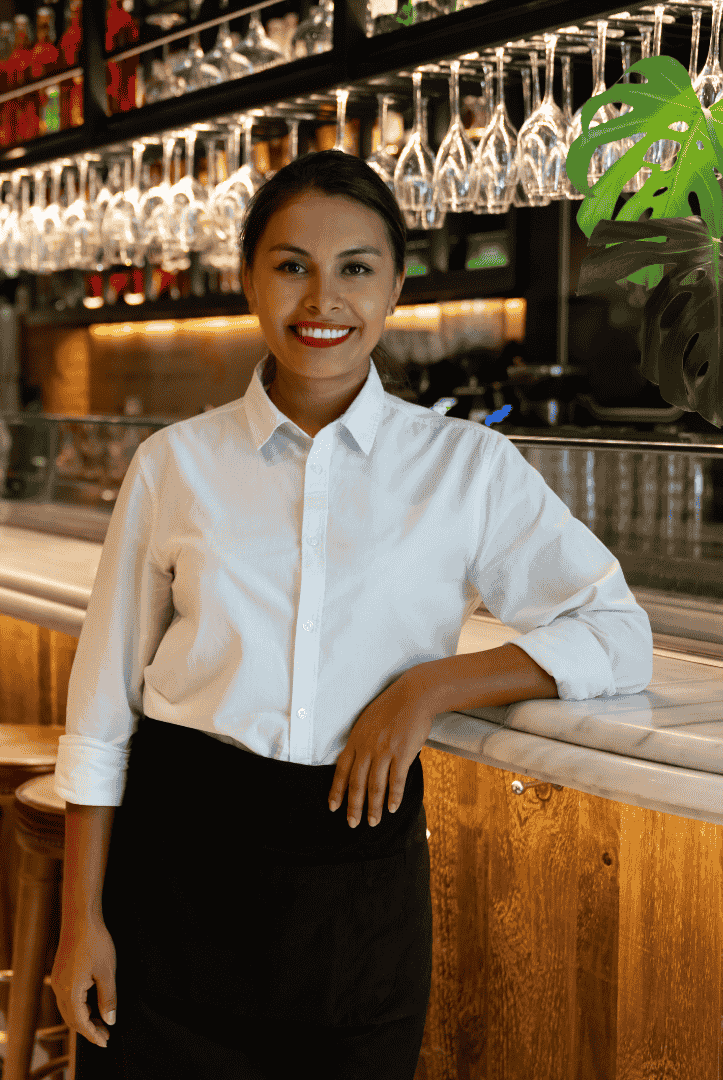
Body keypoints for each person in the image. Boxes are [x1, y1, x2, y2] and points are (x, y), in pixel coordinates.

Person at [50, 149, 653, 1079]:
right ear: (249, 279)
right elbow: (100, 720)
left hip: (357, 900)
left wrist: (432, 687)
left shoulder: (468, 469)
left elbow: (617, 631)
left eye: (355, 269)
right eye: (291, 266)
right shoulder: (174, 466)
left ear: (397, 285)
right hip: (175, 877)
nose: (321, 300)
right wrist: (79, 921)